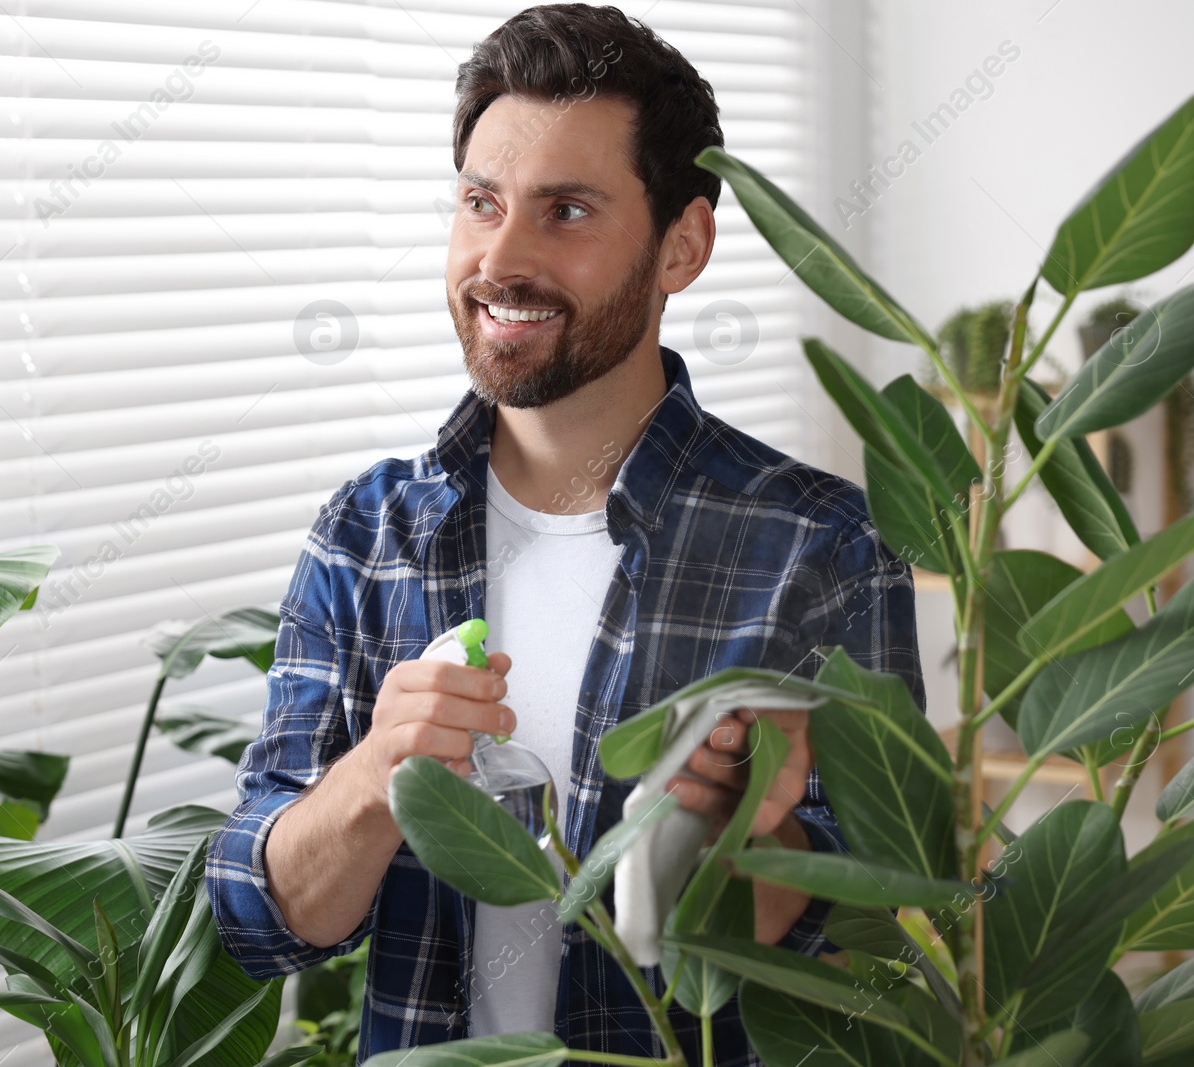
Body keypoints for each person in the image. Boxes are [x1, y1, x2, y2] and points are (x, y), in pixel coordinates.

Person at [207, 5, 923, 1065]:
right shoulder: (368, 530)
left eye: (567, 210)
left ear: (681, 245)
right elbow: (264, 922)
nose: (502, 257)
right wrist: (378, 775)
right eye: (480, 203)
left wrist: (753, 836)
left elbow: (874, 936)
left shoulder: (821, 547)